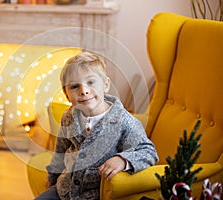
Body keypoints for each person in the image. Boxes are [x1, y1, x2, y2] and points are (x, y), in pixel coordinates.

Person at [35, 51, 158, 200]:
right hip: (65, 189)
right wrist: (53, 176)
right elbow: (61, 150)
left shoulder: (124, 121)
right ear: (66, 94)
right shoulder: (68, 117)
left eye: (91, 82)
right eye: (74, 87)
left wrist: (123, 160)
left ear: (105, 85)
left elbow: (148, 151)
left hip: (95, 194)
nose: (84, 91)